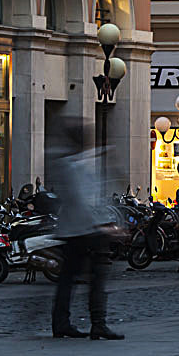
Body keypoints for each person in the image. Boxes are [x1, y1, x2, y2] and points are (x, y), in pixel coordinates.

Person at [50, 120, 122, 340]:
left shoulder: (71, 163)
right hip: (83, 230)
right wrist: (101, 225)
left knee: (70, 279)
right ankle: (95, 323)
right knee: (95, 276)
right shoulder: (72, 166)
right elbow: (81, 199)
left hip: (78, 229)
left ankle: (66, 322)